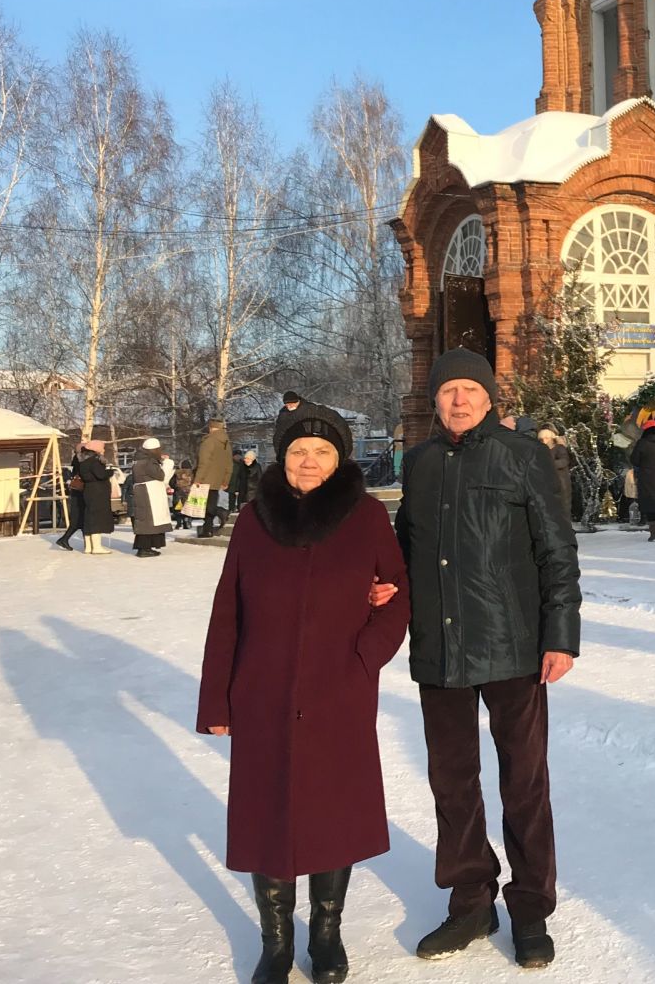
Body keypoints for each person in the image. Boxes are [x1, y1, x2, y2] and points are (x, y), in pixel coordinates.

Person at [198, 402, 410, 984]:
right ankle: (276, 944)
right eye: (297, 451)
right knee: (267, 814)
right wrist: (216, 698)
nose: (309, 462)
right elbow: (227, 614)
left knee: (331, 811)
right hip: (261, 690)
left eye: (321, 452)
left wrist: (363, 660)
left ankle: (326, 934)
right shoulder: (252, 520)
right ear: (281, 457)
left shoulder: (366, 516)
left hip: (338, 691)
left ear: (339, 460)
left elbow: (398, 595)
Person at [396, 347, 580, 966]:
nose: (459, 400)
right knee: (452, 782)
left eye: (469, 390)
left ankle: (530, 908)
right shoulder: (418, 463)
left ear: (489, 396)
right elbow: (404, 549)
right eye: (448, 390)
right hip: (439, 648)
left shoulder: (523, 455)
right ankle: (471, 903)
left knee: (524, 783)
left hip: (515, 645)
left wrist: (561, 634)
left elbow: (557, 550)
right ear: (435, 400)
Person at [129, 437, 172, 559]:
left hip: (144, 492)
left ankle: (147, 547)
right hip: (149, 493)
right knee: (149, 521)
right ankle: (144, 548)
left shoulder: (139, 459)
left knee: (147, 520)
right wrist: (167, 464)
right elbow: (160, 475)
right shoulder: (148, 461)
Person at [74, 439, 115, 556]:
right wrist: (110, 472)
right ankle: (96, 547)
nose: (103, 450)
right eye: (102, 448)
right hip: (98, 493)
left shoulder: (83, 462)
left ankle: (88, 546)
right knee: (97, 518)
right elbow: (100, 475)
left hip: (89, 491)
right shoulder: (95, 462)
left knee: (89, 517)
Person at [196, 418, 234, 537]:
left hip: (206, 478)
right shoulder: (226, 442)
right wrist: (226, 479)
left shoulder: (209, 441)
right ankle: (208, 529)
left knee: (203, 505)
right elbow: (229, 463)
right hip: (217, 479)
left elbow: (204, 462)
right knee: (209, 503)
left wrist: (198, 479)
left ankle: (220, 513)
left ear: (210, 428)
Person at [536, 427, 575, 521]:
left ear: (551, 438)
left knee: (563, 507)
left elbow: (564, 461)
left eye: (546, 438)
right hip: (548, 482)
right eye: (541, 439)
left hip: (561, 482)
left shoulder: (559, 448)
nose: (544, 440)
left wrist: (548, 464)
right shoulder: (541, 449)